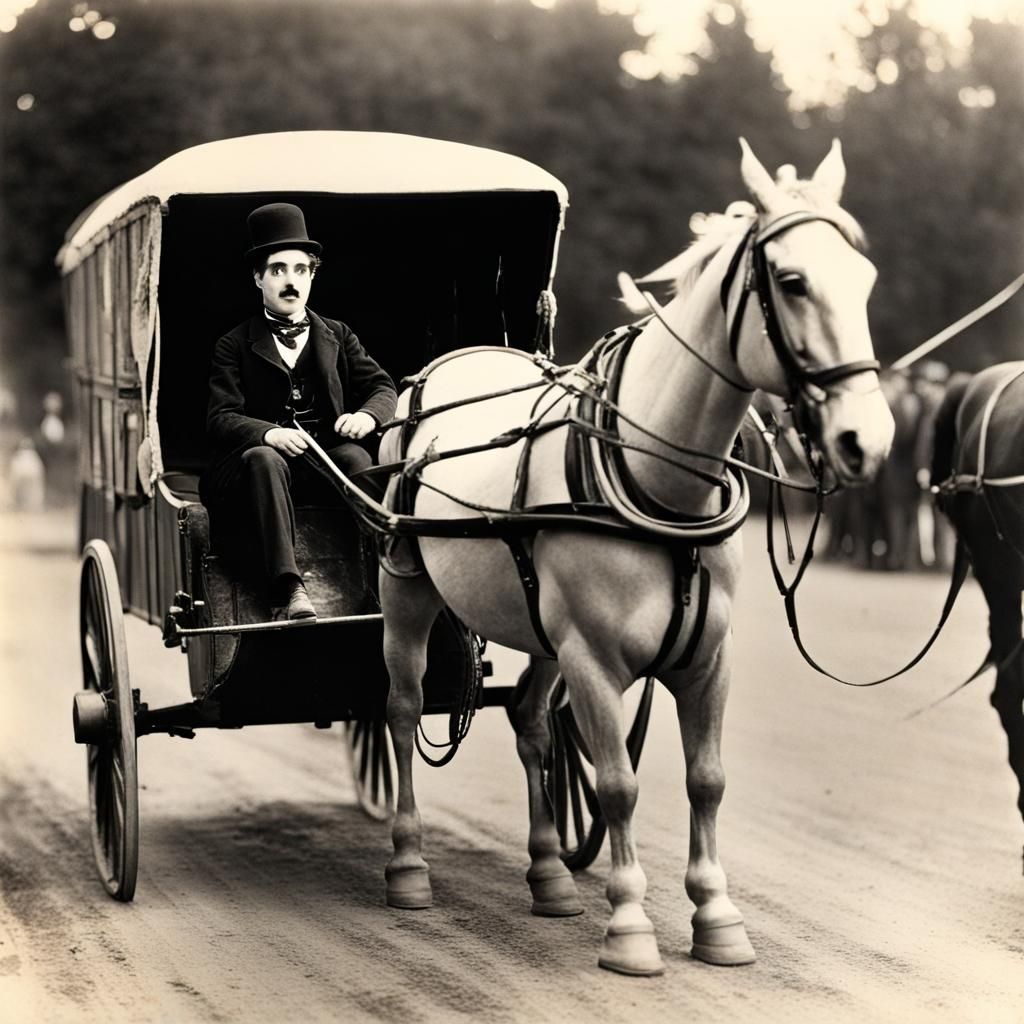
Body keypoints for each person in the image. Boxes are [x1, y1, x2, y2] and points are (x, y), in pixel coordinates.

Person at [200, 203, 398, 621]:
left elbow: (382, 387)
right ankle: (289, 589)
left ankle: (390, 575)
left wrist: (367, 417)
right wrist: (268, 433)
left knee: (356, 459)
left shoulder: (337, 335)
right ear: (258, 278)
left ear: (312, 275)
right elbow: (220, 417)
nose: (291, 282)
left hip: (320, 461)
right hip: (250, 473)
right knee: (264, 458)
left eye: (300, 270)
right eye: (278, 270)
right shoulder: (233, 344)